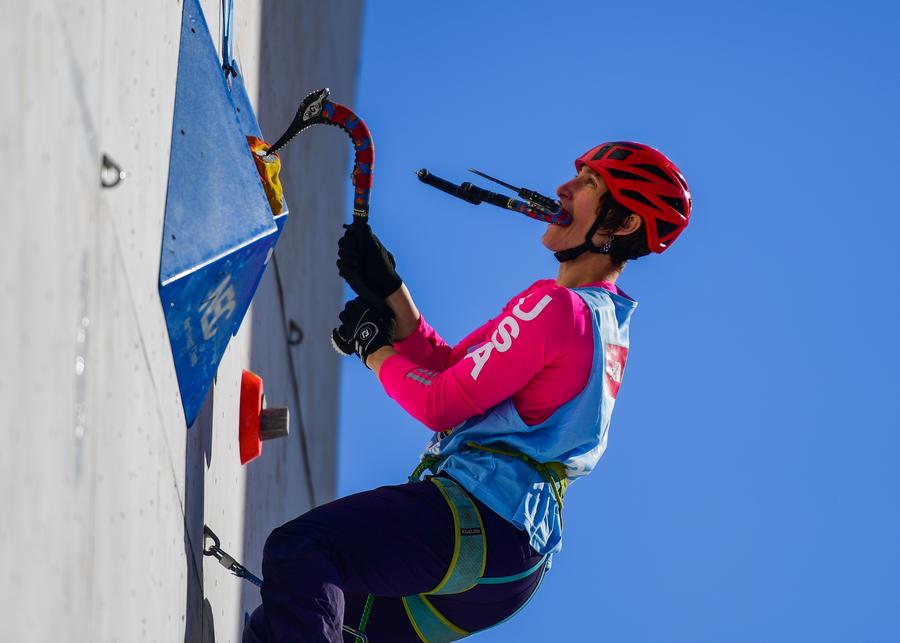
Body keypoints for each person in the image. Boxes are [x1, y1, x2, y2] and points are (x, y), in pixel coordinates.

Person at [243, 141, 692, 642]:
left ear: (624, 224)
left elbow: (441, 404)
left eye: (589, 184)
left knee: (303, 550)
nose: (563, 187)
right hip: (513, 558)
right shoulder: (602, 321)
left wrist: (374, 351)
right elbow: (457, 371)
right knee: (301, 623)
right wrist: (393, 293)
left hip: (483, 512)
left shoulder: (556, 307)